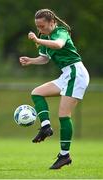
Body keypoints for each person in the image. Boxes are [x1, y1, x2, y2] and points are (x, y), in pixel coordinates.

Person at [19, 9, 90, 170]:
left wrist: (37, 39)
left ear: (52, 22)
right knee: (36, 93)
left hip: (76, 73)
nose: (40, 29)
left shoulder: (60, 32)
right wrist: (31, 60)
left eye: (42, 26)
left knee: (64, 115)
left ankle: (64, 155)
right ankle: (45, 127)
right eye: (38, 26)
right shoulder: (45, 37)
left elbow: (58, 45)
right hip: (66, 74)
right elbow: (44, 59)